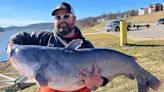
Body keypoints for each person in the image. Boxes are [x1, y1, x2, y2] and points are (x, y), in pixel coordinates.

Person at [7, 2, 109, 92]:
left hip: (78, 88)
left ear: (74, 18)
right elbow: (21, 36)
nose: (62, 20)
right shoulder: (44, 38)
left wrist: (99, 81)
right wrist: (11, 45)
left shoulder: (87, 46)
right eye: (58, 17)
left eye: (66, 16)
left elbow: (103, 76)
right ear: (54, 21)